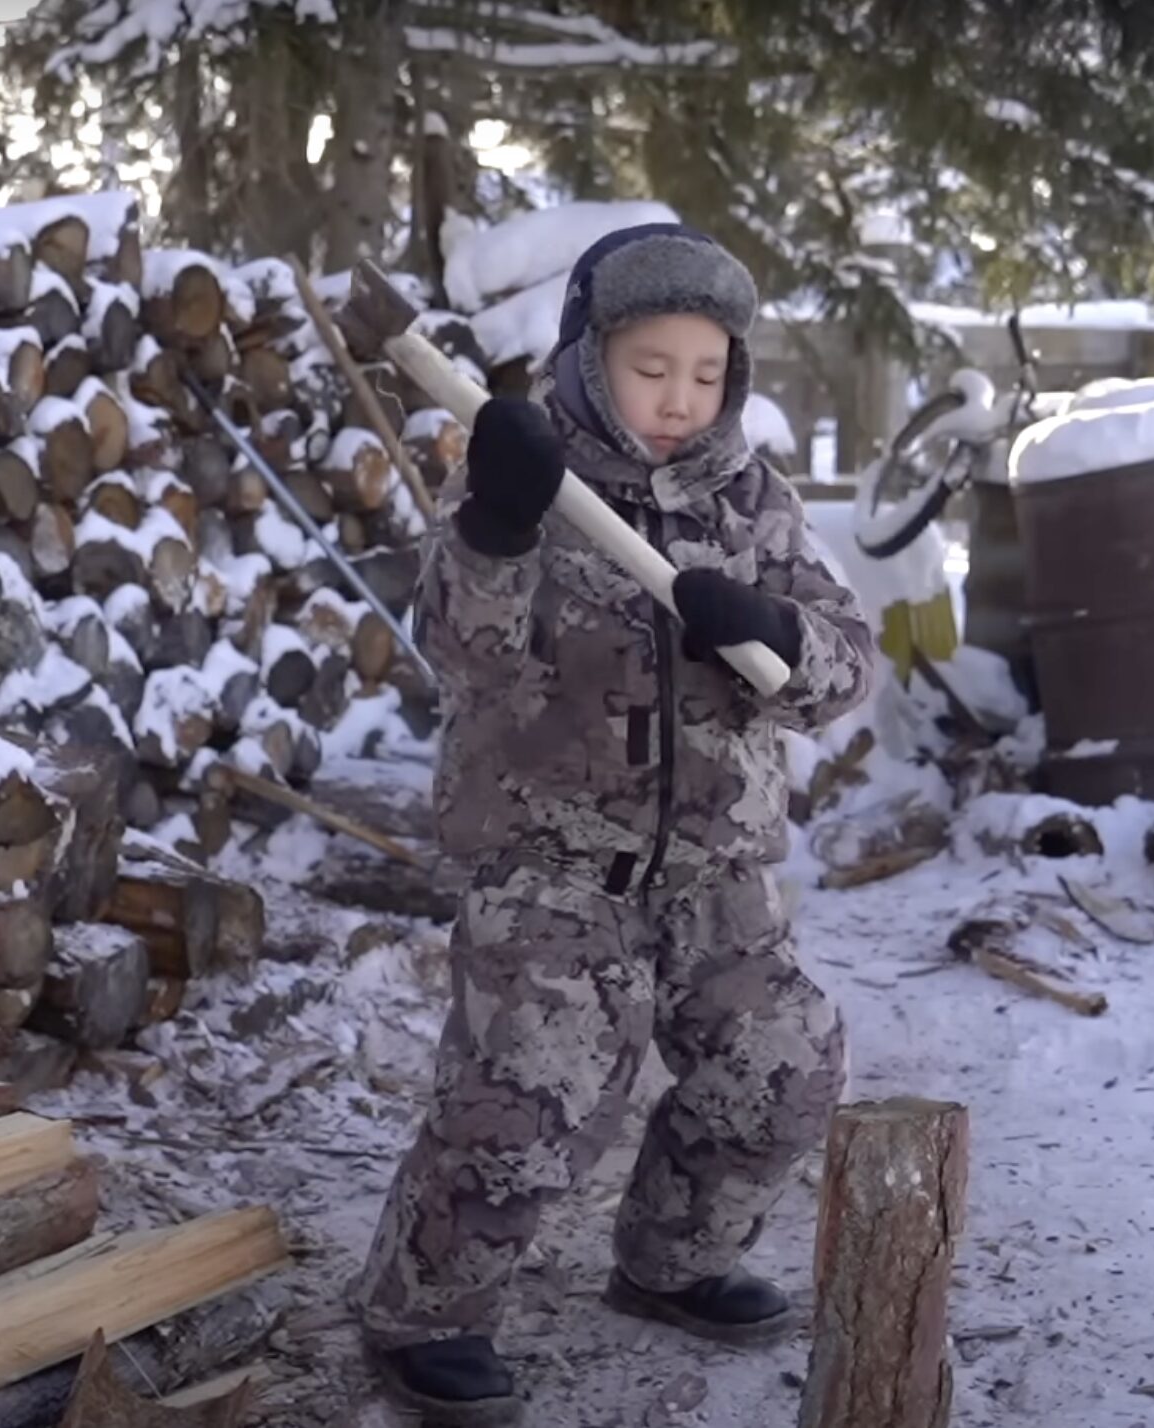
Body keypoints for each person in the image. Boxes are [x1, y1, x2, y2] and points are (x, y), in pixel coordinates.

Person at [353, 223, 876, 1425]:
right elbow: (461, 654)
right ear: (592, 358)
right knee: (525, 1098)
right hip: (550, 866)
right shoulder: (528, 477)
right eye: (652, 370)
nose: (679, 399)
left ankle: (670, 1261)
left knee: (782, 1063)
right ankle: (422, 1313)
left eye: (706, 374)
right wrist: (495, 524)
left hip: (715, 872)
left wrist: (777, 635)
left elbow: (843, 673)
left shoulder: (754, 500)